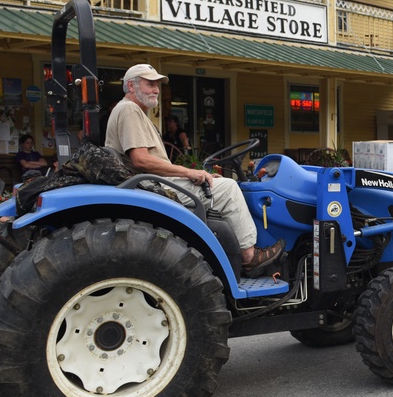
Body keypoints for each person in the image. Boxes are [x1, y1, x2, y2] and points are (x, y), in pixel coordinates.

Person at [105, 63, 283, 276]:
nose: (156, 90)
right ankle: (249, 257)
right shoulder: (129, 110)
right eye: (149, 84)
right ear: (131, 87)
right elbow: (141, 160)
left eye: (157, 85)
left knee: (218, 183)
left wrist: (201, 174)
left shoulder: (133, 111)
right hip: (149, 184)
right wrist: (189, 173)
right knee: (229, 189)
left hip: (149, 181)